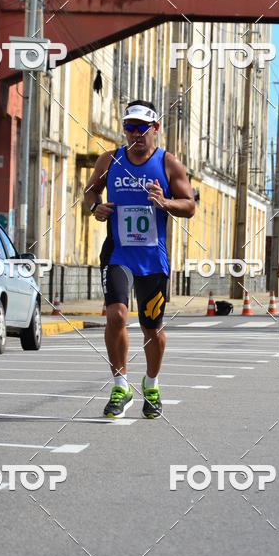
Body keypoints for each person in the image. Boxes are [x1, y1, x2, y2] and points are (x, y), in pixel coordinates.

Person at [85, 100, 195, 418]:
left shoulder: (168, 163)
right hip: (118, 253)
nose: (135, 134)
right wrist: (95, 208)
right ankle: (120, 386)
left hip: (152, 258)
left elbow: (189, 205)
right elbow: (89, 192)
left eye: (141, 128)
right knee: (117, 316)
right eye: (129, 127)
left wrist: (165, 202)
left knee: (152, 328)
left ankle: (151, 384)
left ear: (155, 129)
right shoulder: (110, 160)